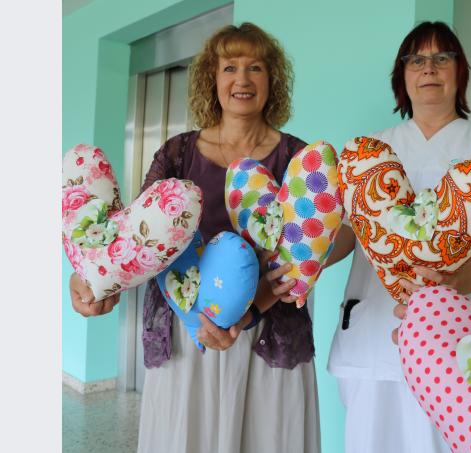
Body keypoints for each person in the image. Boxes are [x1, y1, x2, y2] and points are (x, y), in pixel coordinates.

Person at [69, 23, 320, 453]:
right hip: (186, 331)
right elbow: (136, 236)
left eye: (255, 67)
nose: (242, 78)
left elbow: (312, 245)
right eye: (230, 67)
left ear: (271, 80)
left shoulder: (297, 158)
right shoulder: (176, 152)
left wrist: (252, 309)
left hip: (267, 332)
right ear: (212, 79)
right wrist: (94, 281)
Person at [320, 21, 471, 453]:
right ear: (403, 75)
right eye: (417, 59)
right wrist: (309, 260)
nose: (429, 68)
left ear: (459, 71)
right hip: (372, 330)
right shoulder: (370, 150)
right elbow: (345, 234)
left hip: (453, 328)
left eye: (441, 58)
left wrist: (455, 287)